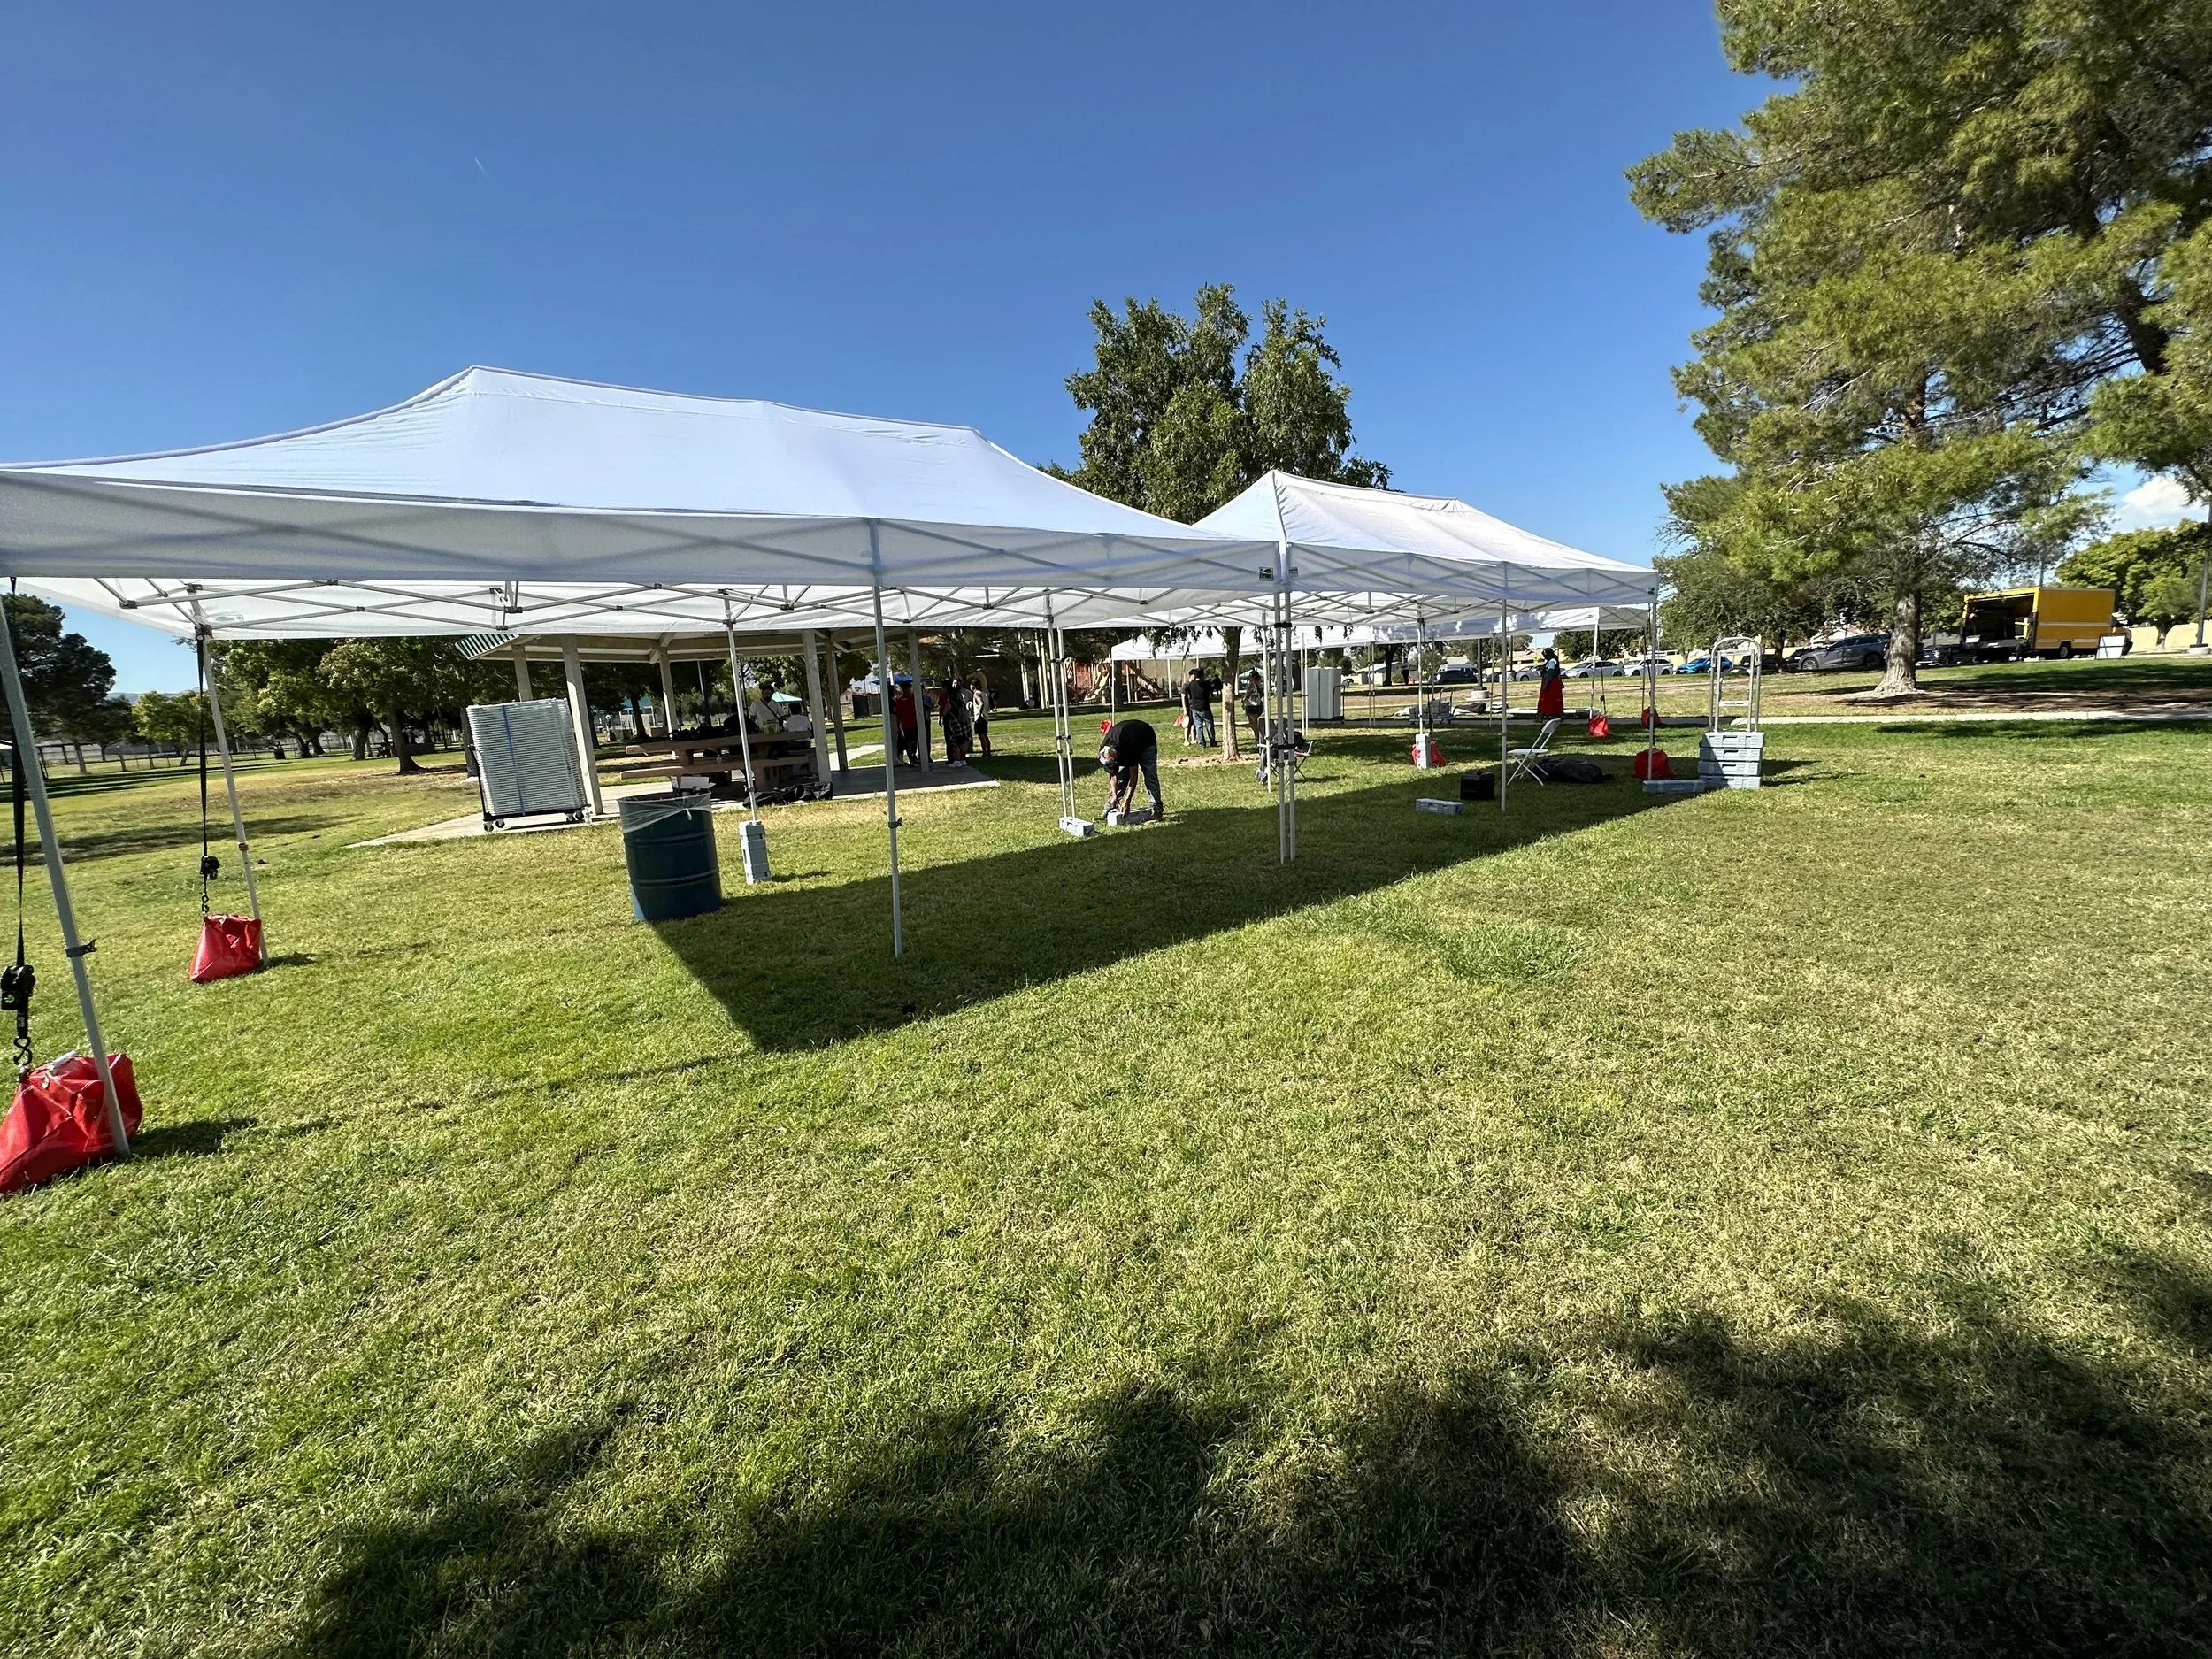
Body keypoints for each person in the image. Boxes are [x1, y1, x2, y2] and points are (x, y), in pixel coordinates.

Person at [1099, 717, 1164, 819]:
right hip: (1130, 738)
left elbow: (1134, 778)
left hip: (1146, 739)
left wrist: (1127, 801)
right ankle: (1110, 807)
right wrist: (1114, 794)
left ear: (1117, 756)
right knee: (1121, 777)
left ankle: (1156, 808)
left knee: (1150, 775)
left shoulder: (1127, 749)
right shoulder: (1104, 750)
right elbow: (1113, 774)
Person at [938, 678, 972, 764]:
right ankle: (962, 759)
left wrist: (942, 716)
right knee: (962, 741)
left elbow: (944, 712)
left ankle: (956, 760)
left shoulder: (950, 702)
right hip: (963, 721)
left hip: (953, 722)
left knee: (954, 741)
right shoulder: (960, 701)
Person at [1182, 667, 1216, 748]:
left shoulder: (1190, 685)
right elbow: (1211, 696)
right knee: (1209, 725)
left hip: (1194, 708)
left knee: (1198, 726)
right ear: (1202, 675)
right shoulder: (1206, 685)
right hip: (1205, 708)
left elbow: (1186, 695)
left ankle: (1202, 744)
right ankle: (1212, 741)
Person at [891, 676, 919, 766]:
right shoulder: (913, 699)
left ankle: (912, 758)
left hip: (906, 724)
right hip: (912, 723)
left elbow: (898, 715)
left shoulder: (899, 701)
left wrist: (899, 725)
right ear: (908, 688)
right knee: (911, 742)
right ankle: (912, 759)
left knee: (910, 742)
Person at [1535, 647, 1566, 720]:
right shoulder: (1552, 660)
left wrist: (1546, 684)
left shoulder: (1552, 661)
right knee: (1552, 699)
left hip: (1551, 683)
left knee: (1549, 699)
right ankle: (1556, 714)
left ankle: (1549, 713)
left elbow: (1550, 673)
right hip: (1552, 682)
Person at [970, 680, 992, 757]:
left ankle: (984, 753)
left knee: (981, 736)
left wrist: (979, 715)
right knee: (985, 735)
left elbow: (981, 703)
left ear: (973, 686)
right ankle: (988, 752)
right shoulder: (985, 694)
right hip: (985, 717)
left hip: (980, 717)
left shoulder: (976, 694)